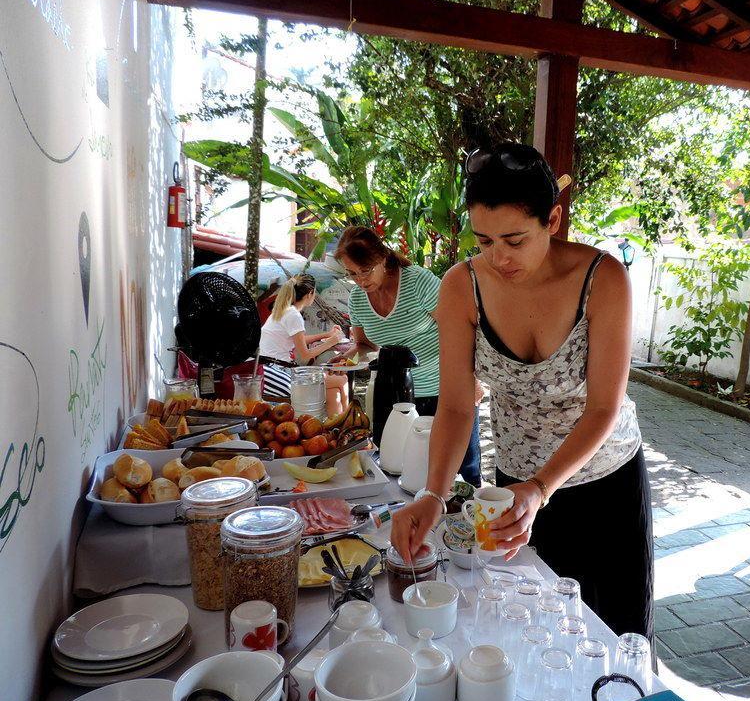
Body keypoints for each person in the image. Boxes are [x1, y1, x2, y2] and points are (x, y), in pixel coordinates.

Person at [390, 143, 652, 641]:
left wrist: (542, 487)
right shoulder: (462, 286)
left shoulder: (603, 279)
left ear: (552, 220)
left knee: (615, 639)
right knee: (530, 633)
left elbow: (603, 408)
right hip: (513, 492)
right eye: (484, 240)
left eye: (514, 239)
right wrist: (432, 493)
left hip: (604, 483)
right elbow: (456, 405)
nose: (498, 257)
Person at [335, 226, 483, 487]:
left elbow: (461, 329)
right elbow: (363, 344)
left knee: (462, 469)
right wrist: (345, 359)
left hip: (446, 388)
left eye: (365, 270)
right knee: (403, 467)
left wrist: (473, 381)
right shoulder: (357, 298)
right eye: (352, 274)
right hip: (398, 395)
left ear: (382, 258)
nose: (360, 280)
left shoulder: (417, 282)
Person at [260, 274, 348, 409]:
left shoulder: (283, 310)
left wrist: (327, 335)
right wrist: (332, 341)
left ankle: (337, 424)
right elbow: (306, 354)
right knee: (341, 380)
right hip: (275, 373)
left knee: (334, 388)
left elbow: (298, 340)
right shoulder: (293, 315)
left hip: (269, 370)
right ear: (310, 293)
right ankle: (341, 424)